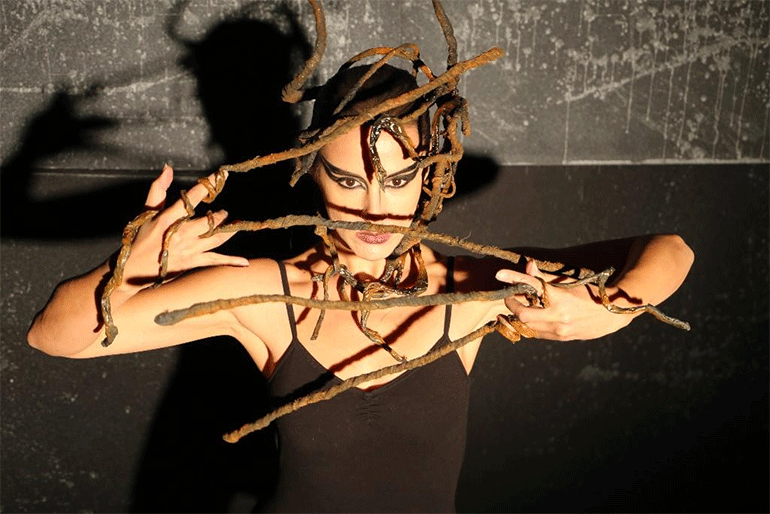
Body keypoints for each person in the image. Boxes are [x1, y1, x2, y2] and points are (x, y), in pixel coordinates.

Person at [28, 62, 693, 512]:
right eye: (347, 180)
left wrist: (615, 308)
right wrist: (132, 265)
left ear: (428, 174)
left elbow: (672, 250)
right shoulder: (268, 293)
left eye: (397, 181)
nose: (373, 211)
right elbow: (54, 336)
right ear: (313, 173)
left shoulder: (469, 288)